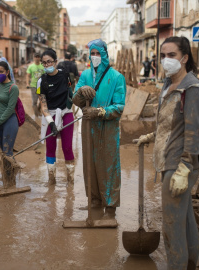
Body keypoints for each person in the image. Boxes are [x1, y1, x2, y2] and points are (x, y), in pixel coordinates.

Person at [136, 36, 199, 269]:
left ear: (184, 58)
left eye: (171, 55)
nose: (166, 60)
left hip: (179, 163)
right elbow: (171, 124)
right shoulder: (167, 84)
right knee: (186, 220)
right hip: (168, 158)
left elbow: (193, 132)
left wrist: (184, 167)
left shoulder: (191, 88)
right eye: (163, 55)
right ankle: (192, 262)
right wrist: (151, 136)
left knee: (172, 225)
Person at [72, 39, 126, 218]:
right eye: (92, 54)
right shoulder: (85, 76)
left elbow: (119, 107)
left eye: (98, 53)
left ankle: (110, 206)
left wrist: (100, 111)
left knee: (108, 165)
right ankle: (94, 200)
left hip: (108, 129)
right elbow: (75, 99)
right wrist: (81, 92)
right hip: (88, 127)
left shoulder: (117, 77)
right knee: (90, 164)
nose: (95, 57)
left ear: (104, 55)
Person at [36, 48, 75, 186]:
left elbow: (71, 93)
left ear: (55, 62)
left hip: (66, 113)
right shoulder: (41, 81)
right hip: (50, 115)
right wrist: (51, 123)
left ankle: (70, 181)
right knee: (50, 147)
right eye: (44, 63)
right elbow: (43, 106)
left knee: (67, 147)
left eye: (49, 62)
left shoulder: (65, 76)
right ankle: (51, 180)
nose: (47, 65)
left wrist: (74, 101)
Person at [26, 52, 45, 117]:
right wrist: (27, 83)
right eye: (36, 57)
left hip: (41, 86)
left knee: (42, 100)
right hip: (33, 86)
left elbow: (46, 75)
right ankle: (37, 115)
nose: (37, 58)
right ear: (34, 58)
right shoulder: (31, 66)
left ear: (40, 58)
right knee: (34, 101)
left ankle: (39, 110)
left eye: (38, 57)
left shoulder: (43, 66)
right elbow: (28, 76)